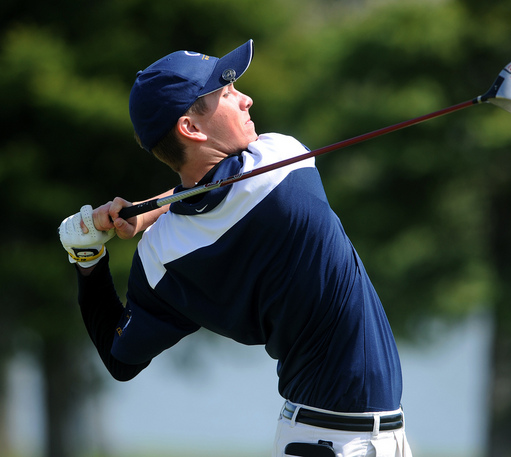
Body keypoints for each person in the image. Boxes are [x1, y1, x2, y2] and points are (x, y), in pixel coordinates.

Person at [59, 39, 413, 457]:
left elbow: (120, 358)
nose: (246, 99)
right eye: (226, 94)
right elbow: (219, 187)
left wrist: (89, 257)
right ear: (190, 128)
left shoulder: (162, 257)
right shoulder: (282, 160)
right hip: (333, 441)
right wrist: (144, 214)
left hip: (330, 433)